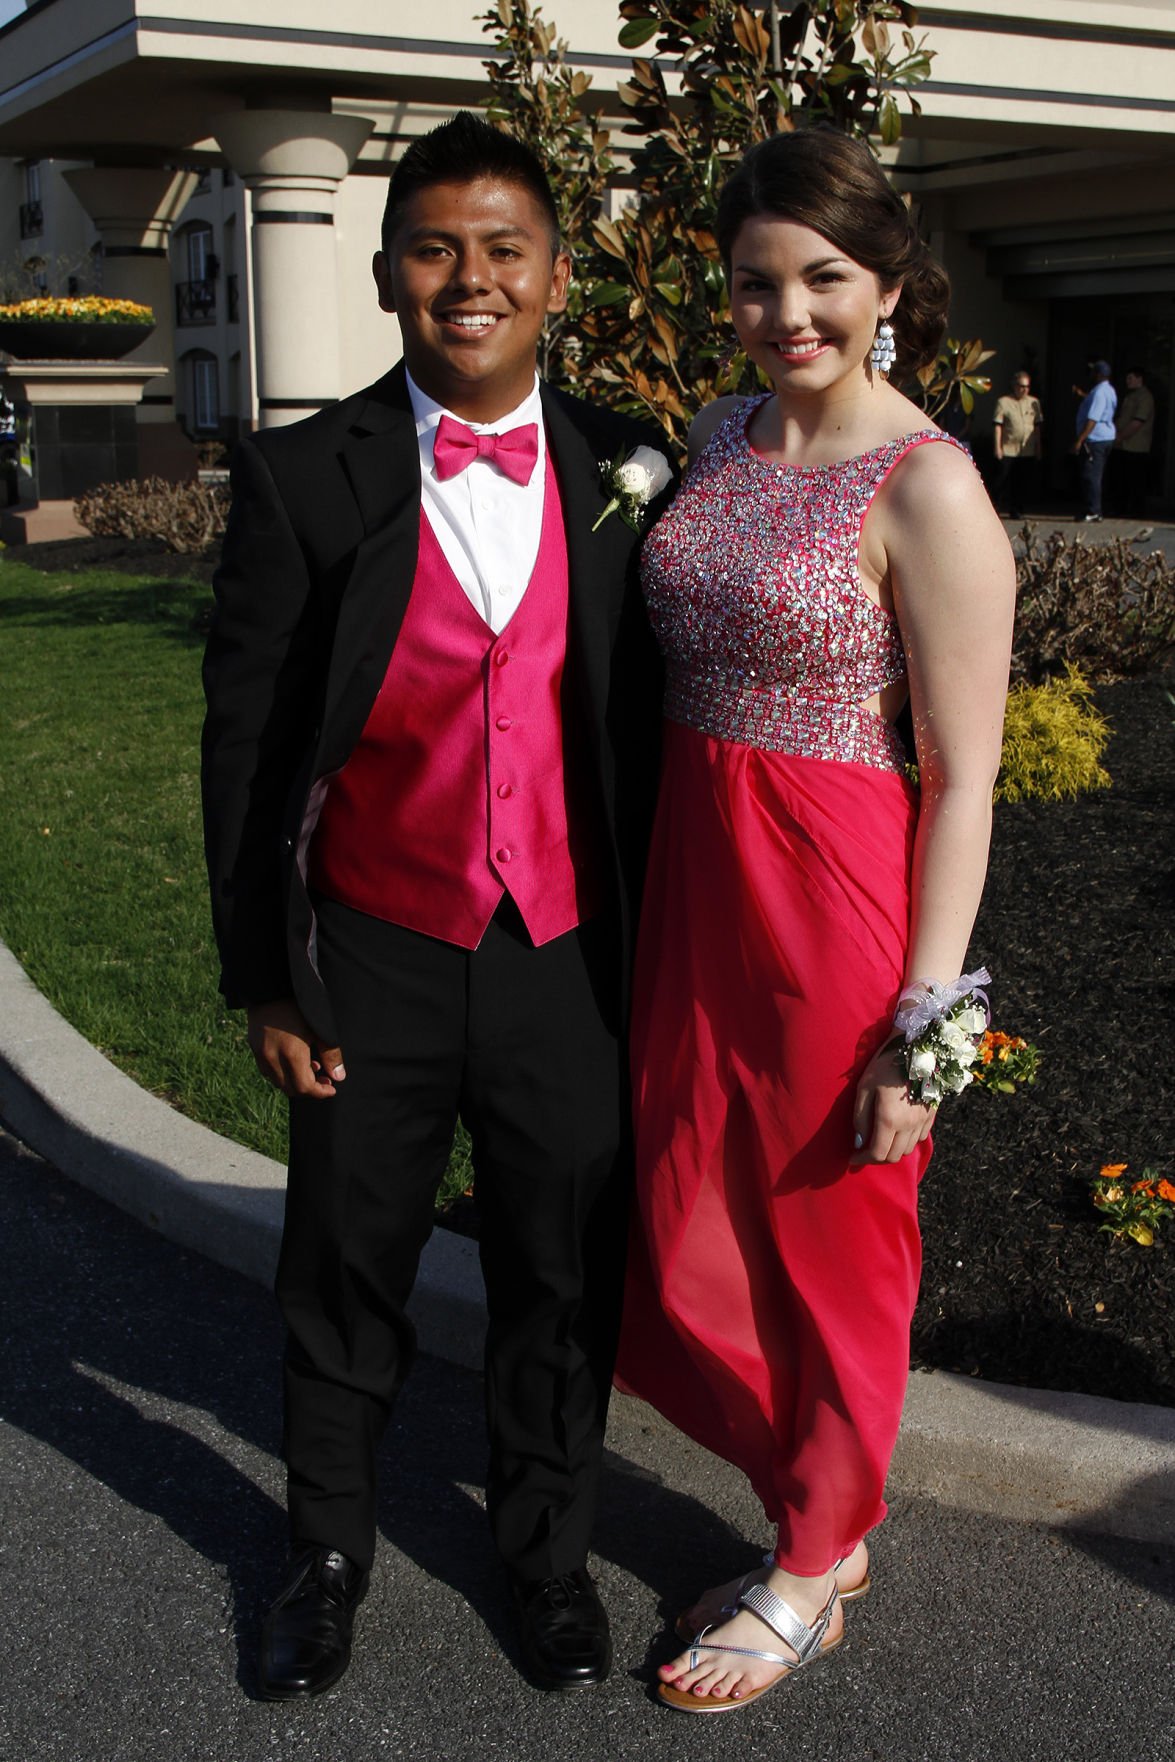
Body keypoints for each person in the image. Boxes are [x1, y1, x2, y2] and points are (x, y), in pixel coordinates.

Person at [201, 112, 671, 1701]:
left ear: (553, 276)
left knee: (559, 1261)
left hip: (563, 951)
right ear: (392, 270)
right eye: (434, 248)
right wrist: (267, 974)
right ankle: (324, 1548)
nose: (468, 278)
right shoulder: (298, 473)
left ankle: (545, 1554)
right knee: (343, 1260)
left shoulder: (631, 471)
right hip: (374, 948)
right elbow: (247, 747)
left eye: (502, 248)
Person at [615, 127, 1015, 1715]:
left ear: (888, 284)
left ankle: (809, 1560)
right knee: (695, 1192)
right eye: (754, 283)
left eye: (823, 280)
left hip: (829, 883)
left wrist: (927, 1029)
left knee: (831, 1223)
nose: (788, 313)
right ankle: (815, 1497)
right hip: (694, 871)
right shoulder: (717, 432)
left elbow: (965, 782)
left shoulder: (926, 485)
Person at [991, 369, 1043, 518]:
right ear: (1014, 386)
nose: (1024, 389)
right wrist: (997, 447)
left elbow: (1038, 426)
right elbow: (997, 425)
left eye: (1027, 386)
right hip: (1008, 448)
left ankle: (1017, 509)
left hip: (1027, 449)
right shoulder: (1003, 402)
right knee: (1002, 479)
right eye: (1021, 386)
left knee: (1022, 481)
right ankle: (995, 507)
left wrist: (1039, 447)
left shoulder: (1034, 402)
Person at [1071, 360, 1116, 522]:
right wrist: (1082, 395)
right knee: (1096, 474)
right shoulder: (1108, 390)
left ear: (1097, 375)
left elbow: (1093, 418)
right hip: (1106, 437)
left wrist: (1080, 440)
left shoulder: (1099, 393)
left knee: (1091, 475)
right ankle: (1094, 508)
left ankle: (1093, 510)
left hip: (1095, 439)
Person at [1111, 366, 1155, 518]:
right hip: (1123, 446)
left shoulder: (1145, 397)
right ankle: (1120, 509)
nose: (1127, 381)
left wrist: (1120, 436)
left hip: (1136, 447)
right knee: (1121, 480)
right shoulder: (1130, 396)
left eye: (1130, 378)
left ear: (1139, 379)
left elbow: (1138, 421)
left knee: (1135, 481)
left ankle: (1136, 512)